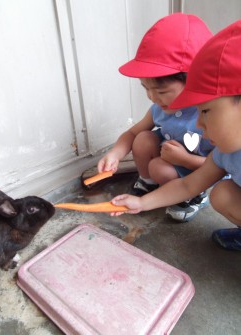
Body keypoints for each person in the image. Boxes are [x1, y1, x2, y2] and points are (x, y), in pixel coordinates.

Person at [111, 20, 241, 251]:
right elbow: (187, 185)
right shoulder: (224, 153)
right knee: (222, 193)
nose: (199, 123)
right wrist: (141, 202)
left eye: (206, 111)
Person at [98, 13, 214, 222]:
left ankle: (193, 196)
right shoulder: (160, 107)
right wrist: (115, 154)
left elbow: (220, 165)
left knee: (159, 167)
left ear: (194, 80)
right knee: (142, 138)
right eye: (146, 89)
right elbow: (132, 132)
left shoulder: (210, 114)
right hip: (170, 158)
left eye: (161, 91)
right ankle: (147, 183)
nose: (152, 97)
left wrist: (184, 160)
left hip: (198, 169)